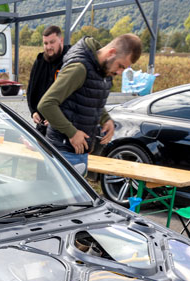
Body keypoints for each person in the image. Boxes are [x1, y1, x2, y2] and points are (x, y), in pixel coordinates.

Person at [38, 34, 142, 175]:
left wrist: (105, 118)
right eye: (120, 66)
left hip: (79, 151)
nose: (119, 72)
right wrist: (72, 133)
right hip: (62, 150)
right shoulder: (79, 68)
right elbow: (46, 104)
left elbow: (88, 97)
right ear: (111, 53)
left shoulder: (102, 69)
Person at [27, 26, 70, 134]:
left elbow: (74, 97)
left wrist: (55, 117)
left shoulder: (70, 61)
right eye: (45, 43)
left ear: (61, 40)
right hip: (43, 127)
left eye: (52, 42)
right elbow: (31, 90)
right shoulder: (40, 61)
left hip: (65, 128)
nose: (48, 47)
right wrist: (33, 112)